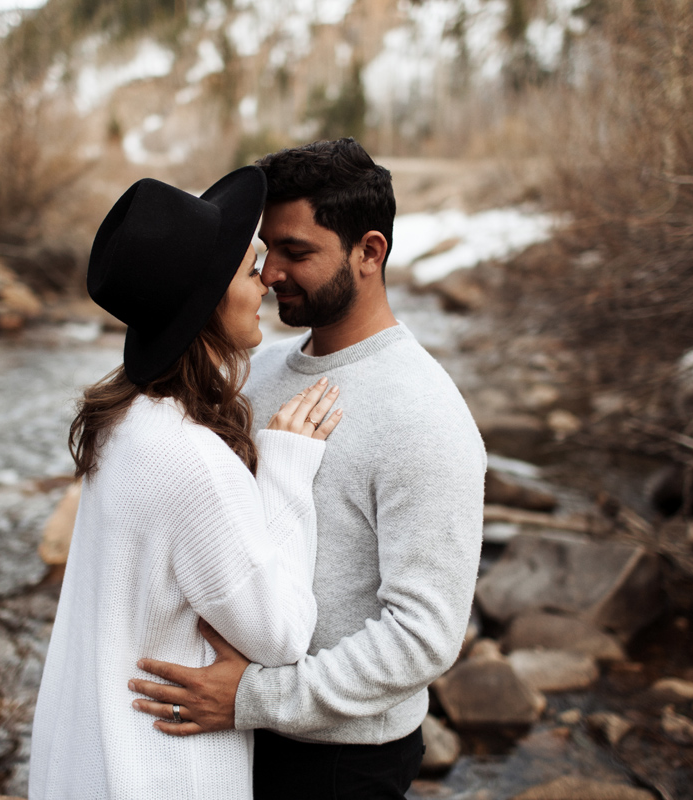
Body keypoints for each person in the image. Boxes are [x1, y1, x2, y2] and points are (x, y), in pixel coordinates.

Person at [130, 138, 486, 799]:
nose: (270, 276)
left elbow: (425, 636)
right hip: (232, 728)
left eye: (298, 253)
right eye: (268, 252)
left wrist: (256, 698)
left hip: (337, 761)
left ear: (370, 252)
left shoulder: (425, 415)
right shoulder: (258, 370)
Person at [28, 166, 346, 800]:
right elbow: (282, 635)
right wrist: (285, 468)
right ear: (206, 301)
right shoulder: (191, 461)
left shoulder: (121, 420)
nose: (266, 283)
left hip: (80, 764)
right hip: (153, 773)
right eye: (249, 268)